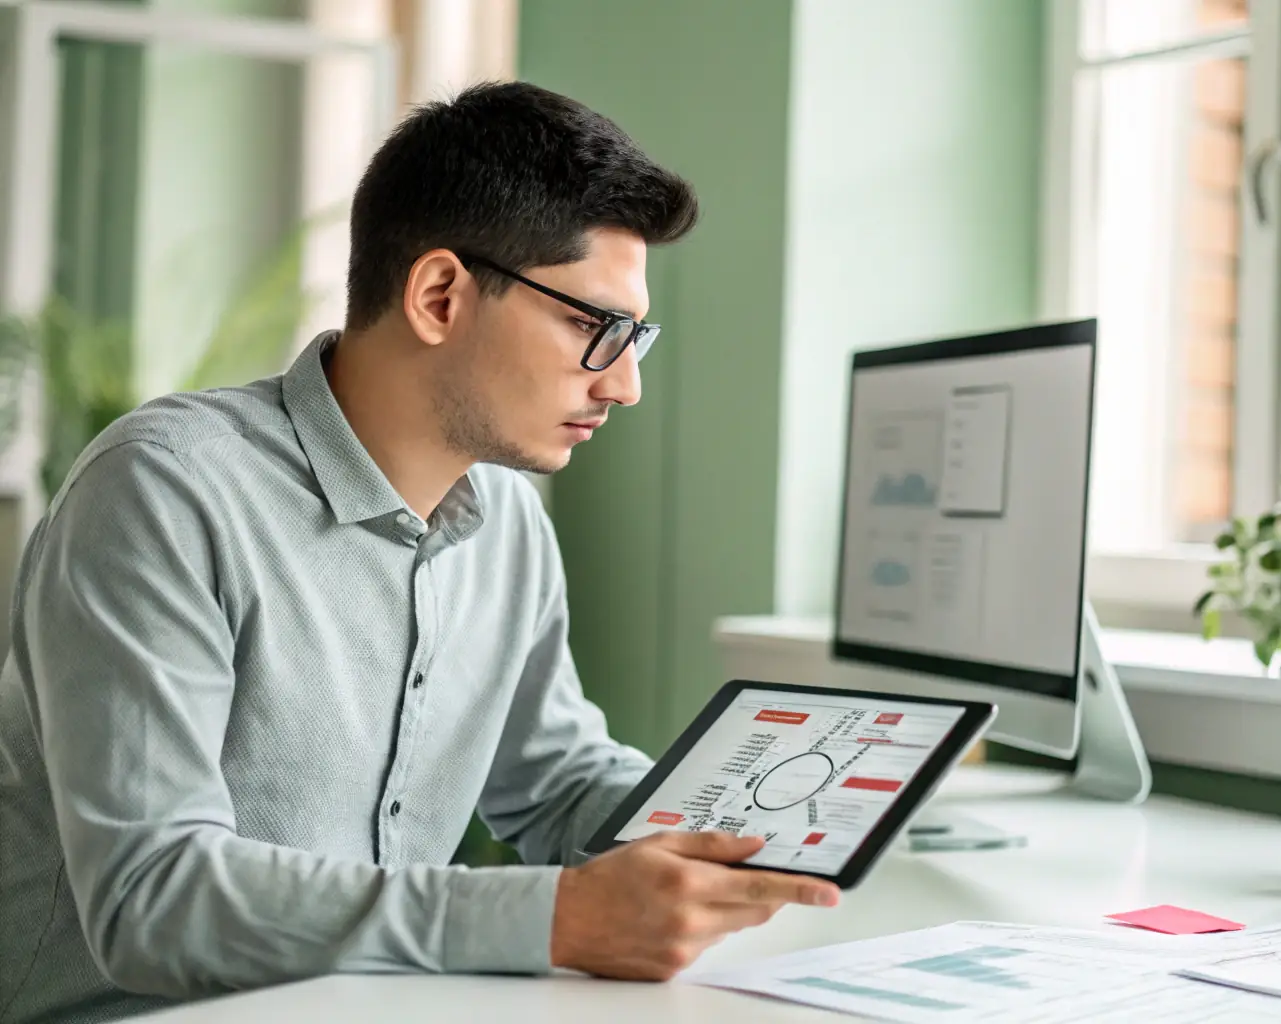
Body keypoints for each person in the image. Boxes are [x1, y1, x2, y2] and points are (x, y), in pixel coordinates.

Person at [0, 82, 840, 1024]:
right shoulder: (165, 489)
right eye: (594, 328)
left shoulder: (509, 525)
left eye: (635, 334)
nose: (626, 384)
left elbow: (557, 781)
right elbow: (151, 896)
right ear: (439, 295)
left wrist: (751, 836)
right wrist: (553, 918)